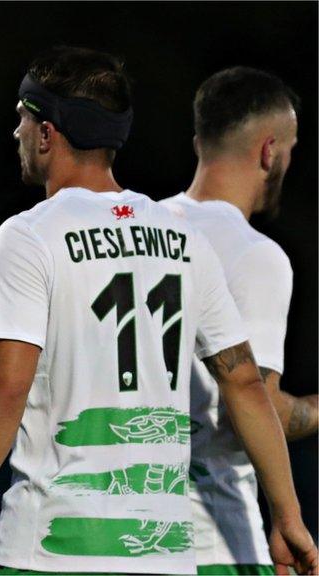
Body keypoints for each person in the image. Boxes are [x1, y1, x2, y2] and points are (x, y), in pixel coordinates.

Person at [0, 46, 317, 575]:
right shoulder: (183, 239)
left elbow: (6, 386)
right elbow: (245, 384)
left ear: (48, 132)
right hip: (161, 552)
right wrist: (288, 514)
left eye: (22, 119)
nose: (15, 133)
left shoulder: (30, 234)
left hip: (52, 547)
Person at [161, 67, 318, 575]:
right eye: (291, 148)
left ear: (199, 142)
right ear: (270, 151)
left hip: (125, 529)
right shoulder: (256, 256)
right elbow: (255, 402)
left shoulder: (143, 231)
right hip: (212, 538)